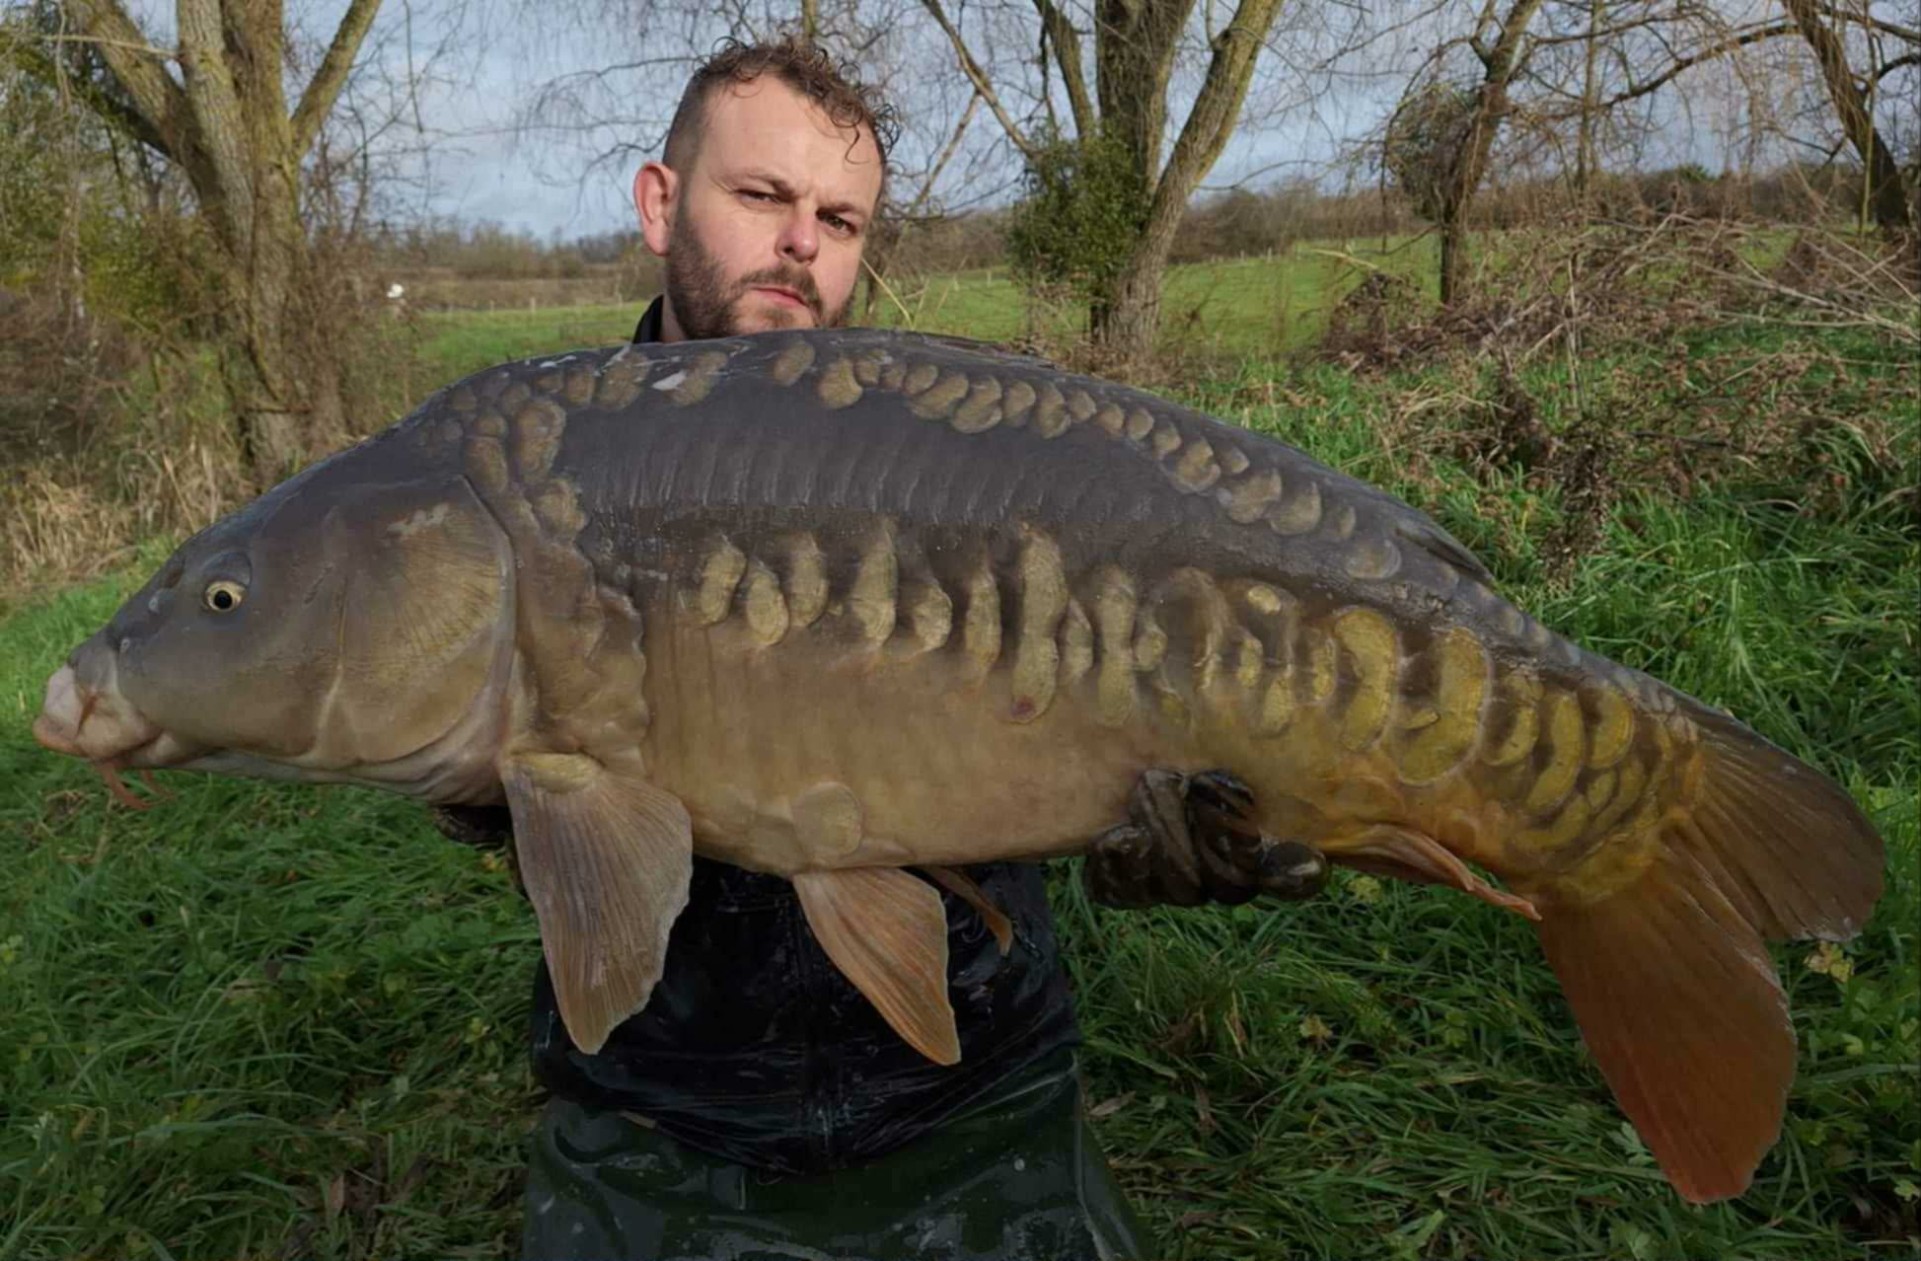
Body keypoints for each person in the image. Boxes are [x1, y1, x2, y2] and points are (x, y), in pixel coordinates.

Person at [436, 36, 1328, 1260]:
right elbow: (480, 775)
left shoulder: (974, 451)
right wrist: (485, 774)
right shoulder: (530, 477)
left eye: (839, 218)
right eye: (760, 197)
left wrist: (1168, 821)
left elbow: (1111, 715)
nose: (801, 243)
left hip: (979, 1076)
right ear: (660, 202)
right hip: (670, 1105)